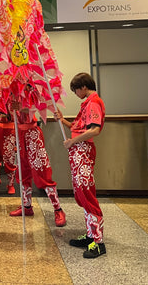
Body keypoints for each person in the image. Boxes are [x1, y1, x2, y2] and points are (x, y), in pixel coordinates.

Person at [54, 72, 106, 259]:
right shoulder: (88, 103)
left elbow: (94, 129)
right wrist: (62, 120)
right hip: (79, 152)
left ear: (83, 87)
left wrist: (72, 143)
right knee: (81, 193)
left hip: (83, 151)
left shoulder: (93, 102)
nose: (76, 93)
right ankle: (91, 235)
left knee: (86, 193)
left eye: (75, 89)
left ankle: (98, 242)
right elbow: (79, 127)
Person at [8, 98, 66, 227]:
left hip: (33, 135)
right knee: (23, 173)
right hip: (19, 134)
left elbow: (38, 106)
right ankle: (27, 206)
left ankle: (58, 209)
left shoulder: (31, 90)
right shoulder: (8, 94)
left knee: (42, 172)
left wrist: (22, 107)